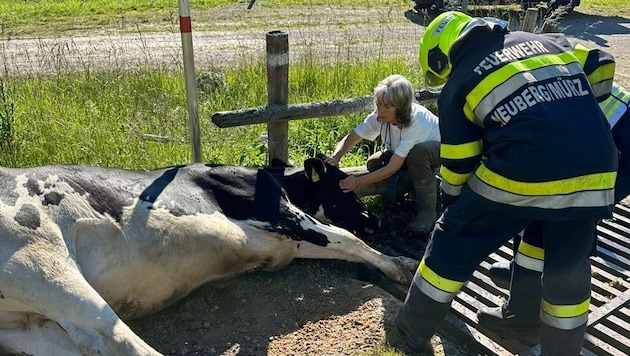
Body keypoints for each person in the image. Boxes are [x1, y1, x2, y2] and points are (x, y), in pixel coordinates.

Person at [394, 11, 617, 356]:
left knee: (452, 240)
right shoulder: (549, 42)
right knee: (567, 266)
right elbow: (602, 63)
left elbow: (460, 165)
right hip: (595, 169)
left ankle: (409, 330)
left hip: (525, 168)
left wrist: (455, 209)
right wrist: (573, 116)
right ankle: (541, 332)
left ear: (443, 56)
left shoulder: (459, 83)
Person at [479, 81, 630, 331]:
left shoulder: (531, 101)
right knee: (539, 217)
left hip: (619, 154)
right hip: (602, 140)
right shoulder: (531, 86)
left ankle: (526, 313)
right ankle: (523, 283)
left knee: (559, 223)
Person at [325, 74, 441, 235]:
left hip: (442, 153)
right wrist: (336, 157)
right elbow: (353, 137)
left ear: (401, 107)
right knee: (374, 163)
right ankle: (400, 197)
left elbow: (393, 167)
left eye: (388, 106)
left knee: (418, 154)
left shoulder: (417, 121)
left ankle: (427, 214)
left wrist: (357, 183)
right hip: (409, 156)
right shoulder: (379, 116)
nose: (380, 109)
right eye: (379, 103)